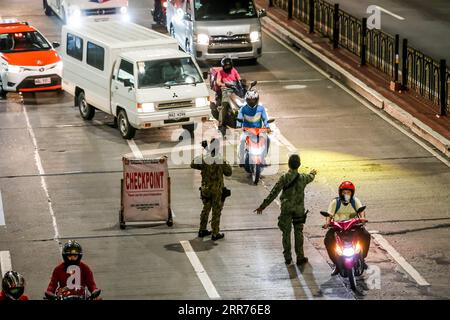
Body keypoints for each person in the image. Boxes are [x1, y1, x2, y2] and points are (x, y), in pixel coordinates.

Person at [254, 154, 317, 265]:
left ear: (288, 164)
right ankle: (300, 257)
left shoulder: (284, 178)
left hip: (286, 209)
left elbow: (274, 192)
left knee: (286, 233)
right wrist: (313, 172)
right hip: (298, 210)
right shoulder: (303, 178)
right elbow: (311, 177)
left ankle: (288, 257)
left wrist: (263, 206)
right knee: (298, 232)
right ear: (299, 165)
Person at [323, 181, 370, 275]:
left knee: (366, 235)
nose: (346, 194)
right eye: (344, 192)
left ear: (352, 193)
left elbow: (361, 211)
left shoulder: (355, 201)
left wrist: (362, 218)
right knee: (328, 240)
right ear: (340, 193)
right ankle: (336, 264)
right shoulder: (335, 202)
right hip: (338, 227)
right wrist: (327, 223)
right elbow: (329, 214)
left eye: (348, 192)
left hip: (353, 226)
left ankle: (362, 258)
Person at [191, 138, 232, 240]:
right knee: (216, 210)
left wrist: (206, 153)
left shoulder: (204, 158)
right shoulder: (220, 160)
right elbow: (229, 172)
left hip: (206, 189)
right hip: (217, 190)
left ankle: (202, 229)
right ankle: (215, 233)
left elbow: (193, 163)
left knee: (206, 209)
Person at [236, 89, 270, 166]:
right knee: (242, 141)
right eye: (249, 100)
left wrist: (267, 127)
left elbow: (265, 119)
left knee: (268, 139)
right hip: (247, 131)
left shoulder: (261, 109)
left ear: (257, 100)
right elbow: (239, 118)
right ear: (246, 100)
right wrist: (238, 126)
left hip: (259, 131)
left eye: (253, 100)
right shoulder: (243, 109)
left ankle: (263, 157)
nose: (252, 102)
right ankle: (241, 159)